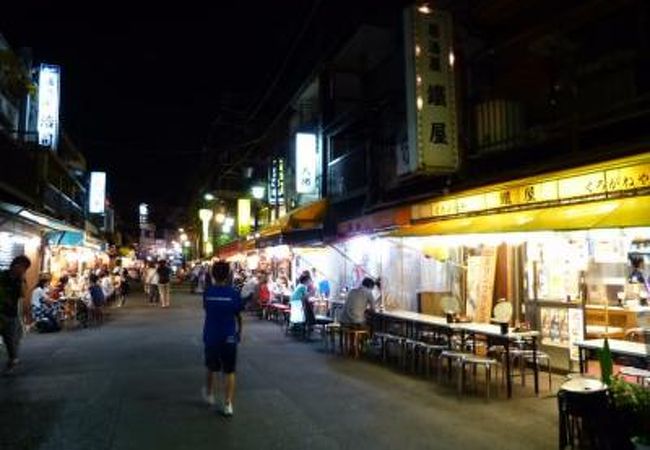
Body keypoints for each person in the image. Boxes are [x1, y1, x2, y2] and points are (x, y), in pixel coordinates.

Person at [202, 261, 243, 417]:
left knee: (211, 367)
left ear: (213, 274)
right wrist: (240, 332)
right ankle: (228, 404)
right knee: (230, 371)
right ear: (228, 275)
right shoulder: (233, 293)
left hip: (211, 335)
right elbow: (238, 315)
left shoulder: (208, 292)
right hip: (229, 336)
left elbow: (207, 309)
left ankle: (210, 395)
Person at [0, 255, 31, 373]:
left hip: (11, 314)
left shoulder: (20, 281)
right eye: (23, 268)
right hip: (1, 312)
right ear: (16, 265)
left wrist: (22, 279)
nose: (23, 271)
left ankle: (12, 360)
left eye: (25, 269)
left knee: (10, 341)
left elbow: (23, 295)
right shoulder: (2, 276)